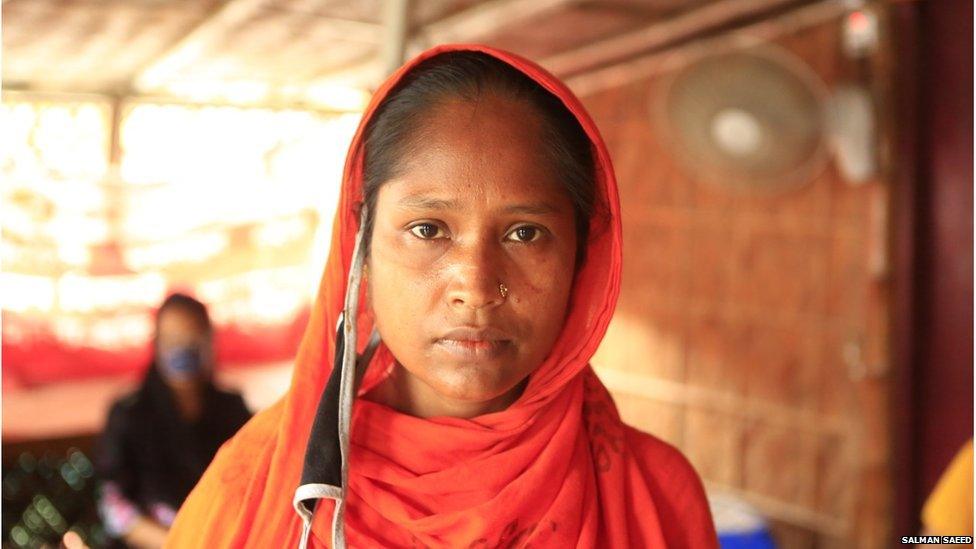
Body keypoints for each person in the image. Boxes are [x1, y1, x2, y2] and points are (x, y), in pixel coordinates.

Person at [166, 45, 717, 548]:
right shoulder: (253, 484)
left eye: (524, 233)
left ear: (582, 258)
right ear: (362, 245)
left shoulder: (656, 496)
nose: (475, 289)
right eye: (429, 229)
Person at [96, 293, 251, 548]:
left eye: (191, 337)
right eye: (172, 339)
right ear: (157, 343)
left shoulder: (231, 410)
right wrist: (181, 543)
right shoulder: (129, 415)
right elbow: (116, 508)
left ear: (208, 339)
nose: (182, 347)